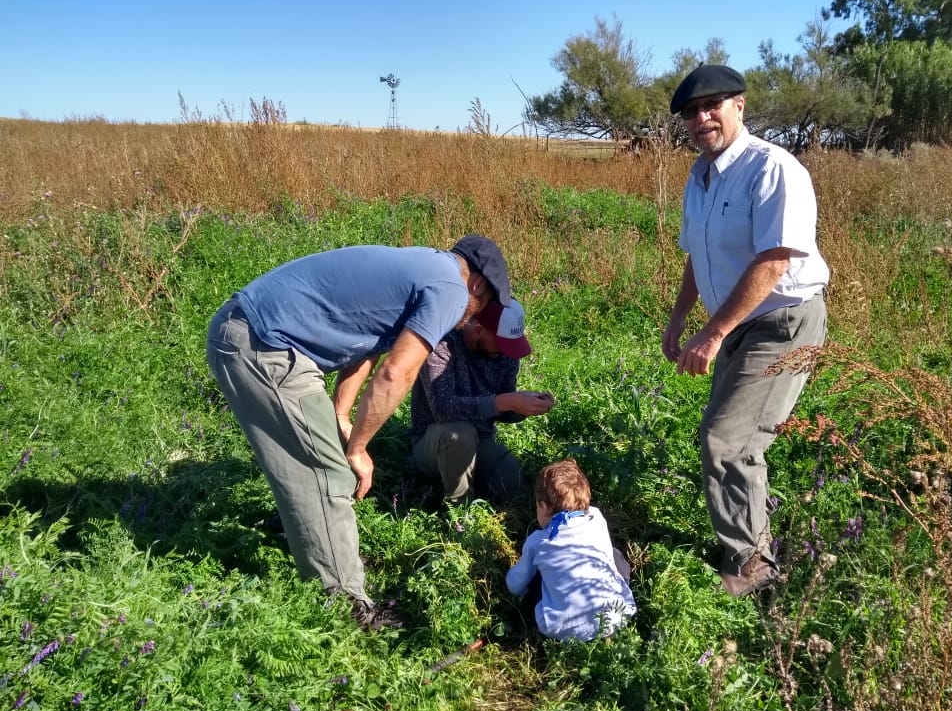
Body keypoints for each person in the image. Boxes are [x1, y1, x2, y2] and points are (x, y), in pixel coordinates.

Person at [206, 234, 512, 630]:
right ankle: (347, 608)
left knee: (318, 457)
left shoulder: (426, 266)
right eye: (484, 304)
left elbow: (367, 344)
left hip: (251, 331)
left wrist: (341, 412)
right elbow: (396, 373)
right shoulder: (451, 290)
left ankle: (316, 543)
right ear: (478, 285)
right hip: (264, 345)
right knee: (328, 473)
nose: (473, 316)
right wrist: (359, 448)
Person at [661, 64, 830, 598]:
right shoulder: (700, 176)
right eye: (691, 111)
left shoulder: (772, 168)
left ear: (739, 105)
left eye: (712, 104)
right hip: (736, 323)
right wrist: (679, 315)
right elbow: (698, 255)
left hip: (781, 325)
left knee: (727, 441)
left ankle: (754, 571)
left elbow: (775, 260)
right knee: (732, 434)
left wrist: (711, 335)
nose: (701, 117)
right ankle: (752, 541)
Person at [409, 296, 555, 505]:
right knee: (459, 434)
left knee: (515, 485)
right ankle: (459, 512)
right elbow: (443, 408)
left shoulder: (505, 354)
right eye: (502, 344)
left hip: (481, 440)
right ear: (478, 330)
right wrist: (506, 401)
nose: (506, 352)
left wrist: (524, 406)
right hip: (432, 441)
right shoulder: (442, 344)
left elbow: (503, 406)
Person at [505, 459, 636, 642]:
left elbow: (515, 585)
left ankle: (565, 614)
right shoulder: (596, 518)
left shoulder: (538, 541)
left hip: (560, 628)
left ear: (543, 506)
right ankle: (606, 626)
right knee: (614, 555)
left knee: (538, 577)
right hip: (618, 614)